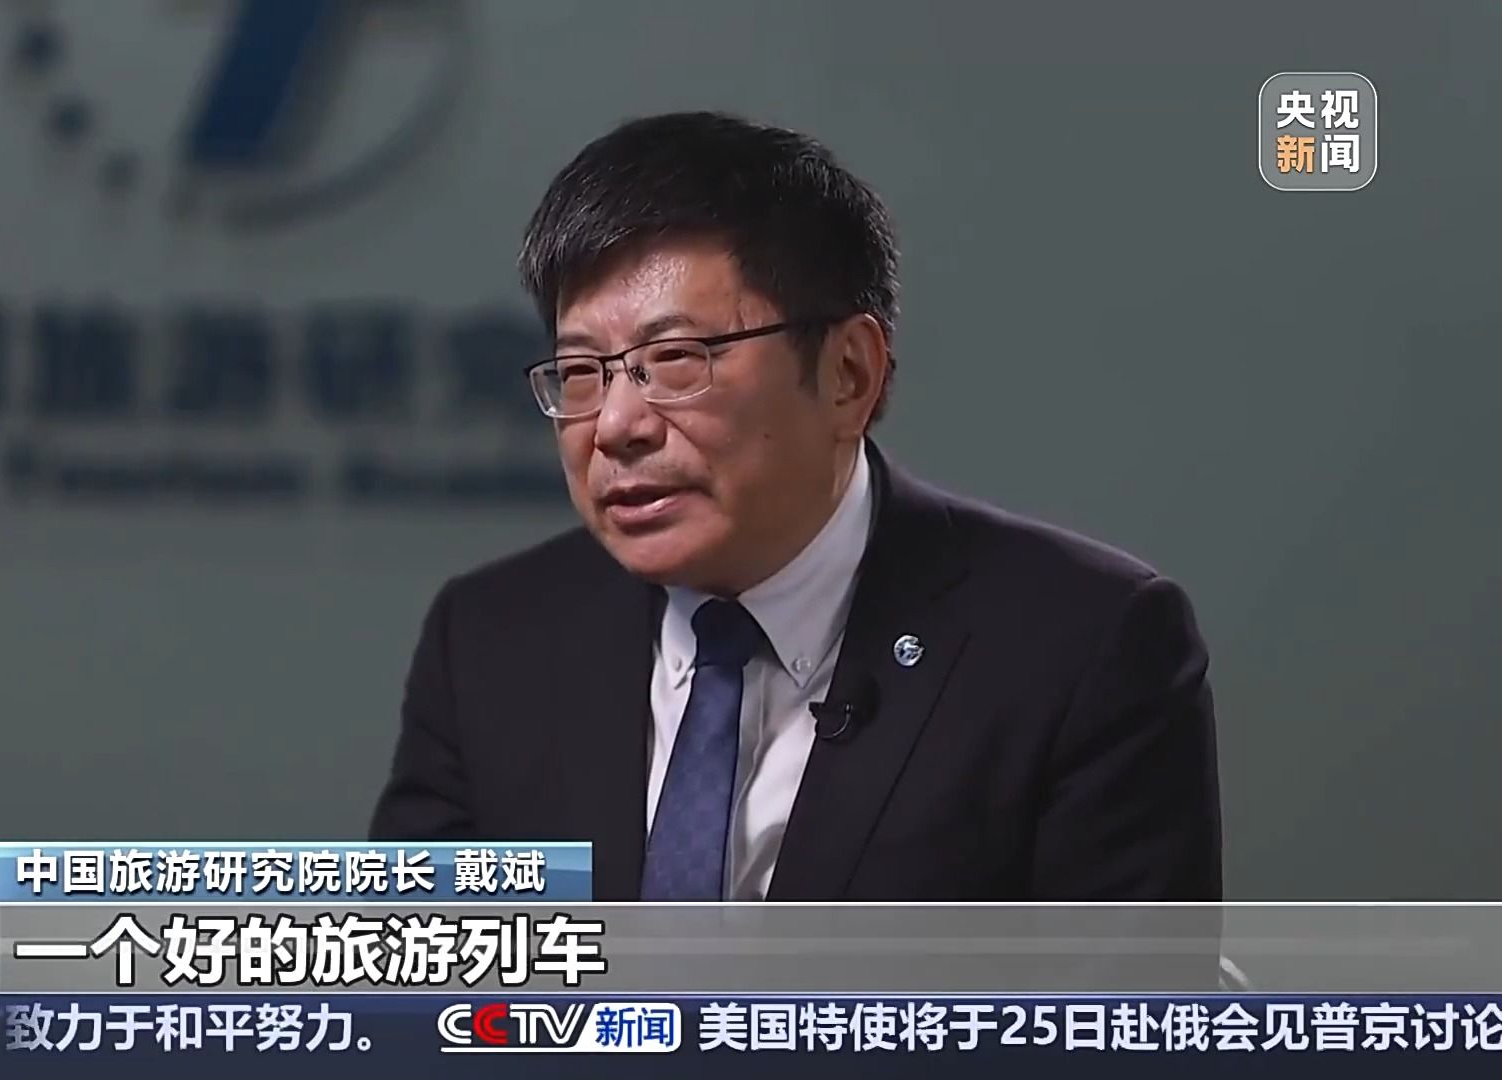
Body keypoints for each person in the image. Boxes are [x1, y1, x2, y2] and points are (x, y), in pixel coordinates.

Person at [368, 112, 1221, 904]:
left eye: (677, 359)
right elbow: (421, 990)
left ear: (849, 374)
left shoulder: (1084, 649)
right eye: (582, 371)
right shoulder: (490, 642)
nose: (618, 425)